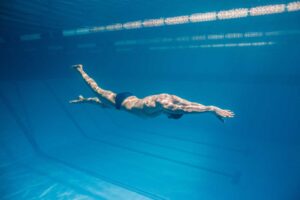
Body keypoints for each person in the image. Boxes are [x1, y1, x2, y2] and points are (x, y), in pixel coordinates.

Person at [70, 64, 234, 122]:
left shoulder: (173, 98)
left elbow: (189, 104)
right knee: (96, 90)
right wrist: (211, 109)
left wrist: (206, 107)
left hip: (128, 100)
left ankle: (83, 100)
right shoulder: (164, 106)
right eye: (170, 114)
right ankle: (80, 70)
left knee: (102, 105)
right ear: (170, 113)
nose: (168, 114)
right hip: (120, 101)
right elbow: (185, 109)